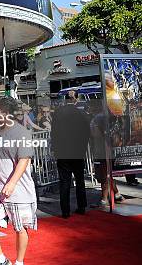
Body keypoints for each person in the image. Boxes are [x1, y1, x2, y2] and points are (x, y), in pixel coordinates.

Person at [0, 97, 37, 265]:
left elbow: (24, 159)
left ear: (6, 113)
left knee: (20, 227)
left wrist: (12, 183)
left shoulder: (21, 133)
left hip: (18, 189)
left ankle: (19, 262)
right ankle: (0, 259)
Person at [52, 90, 91, 218]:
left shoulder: (58, 113)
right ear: (76, 99)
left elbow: (54, 133)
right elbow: (86, 132)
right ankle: (81, 206)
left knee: (64, 182)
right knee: (80, 180)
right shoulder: (81, 113)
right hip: (77, 152)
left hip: (63, 152)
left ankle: (65, 211)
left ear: (65, 99)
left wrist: (55, 149)